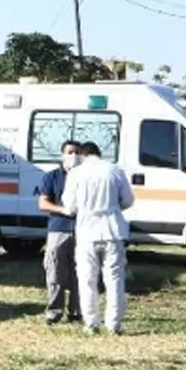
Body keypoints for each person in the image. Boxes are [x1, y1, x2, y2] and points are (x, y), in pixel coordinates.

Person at [61, 140, 135, 335]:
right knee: (114, 279)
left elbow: (69, 207)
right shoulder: (114, 170)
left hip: (86, 232)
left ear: (82, 155)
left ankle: (91, 323)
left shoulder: (76, 173)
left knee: (87, 279)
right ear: (99, 153)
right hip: (112, 230)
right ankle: (114, 324)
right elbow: (128, 200)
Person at [37, 140, 83, 325]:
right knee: (55, 271)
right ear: (62, 155)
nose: (74, 156)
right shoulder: (52, 177)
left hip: (82, 230)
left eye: (77, 152)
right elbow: (43, 203)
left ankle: (76, 311)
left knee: (80, 273)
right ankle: (54, 312)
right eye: (70, 152)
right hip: (58, 230)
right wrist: (62, 210)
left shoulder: (86, 177)